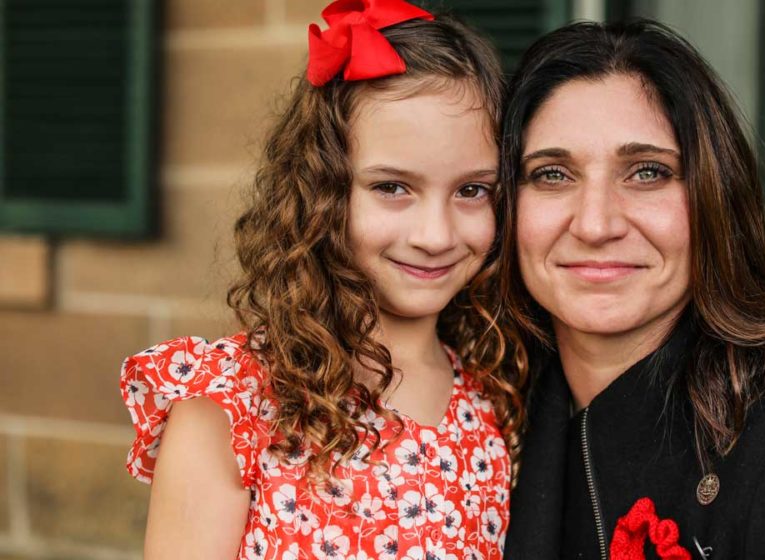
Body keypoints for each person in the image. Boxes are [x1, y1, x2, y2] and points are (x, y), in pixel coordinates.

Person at [119, 2, 525, 558]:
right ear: (322, 193)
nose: (436, 234)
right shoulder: (233, 407)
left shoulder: (495, 398)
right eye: (392, 187)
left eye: (472, 190)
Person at [500, 20, 765, 559]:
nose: (595, 224)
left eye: (647, 172)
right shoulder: (484, 419)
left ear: (715, 200)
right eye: (552, 174)